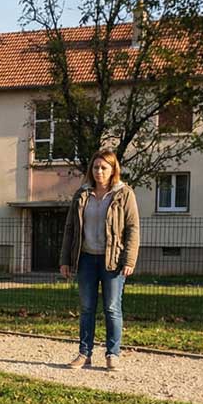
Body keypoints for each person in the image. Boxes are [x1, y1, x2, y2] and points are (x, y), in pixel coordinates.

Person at [58, 149, 140, 371]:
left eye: (104, 167)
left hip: (112, 261)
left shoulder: (124, 194)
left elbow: (133, 228)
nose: (99, 171)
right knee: (86, 308)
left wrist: (129, 259)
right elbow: (70, 229)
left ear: (113, 170)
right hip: (85, 259)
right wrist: (65, 259)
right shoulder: (82, 194)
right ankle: (84, 354)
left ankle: (113, 354)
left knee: (112, 308)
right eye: (95, 167)